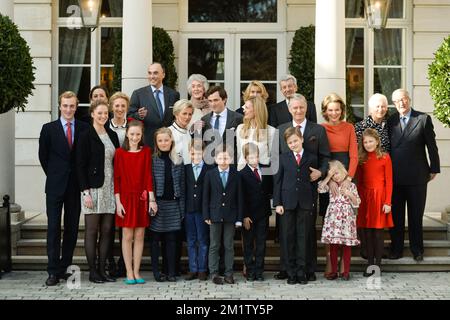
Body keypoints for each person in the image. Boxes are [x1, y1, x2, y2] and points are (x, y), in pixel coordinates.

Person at [275, 93, 330, 281]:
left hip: (308, 190)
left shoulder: (318, 130)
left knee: (306, 233)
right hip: (287, 192)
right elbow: (277, 165)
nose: (298, 111)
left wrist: (320, 173)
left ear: (306, 108)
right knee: (287, 233)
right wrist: (277, 199)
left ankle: (307, 269)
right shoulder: (281, 130)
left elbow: (325, 157)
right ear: (289, 109)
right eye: (295, 108)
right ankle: (287, 268)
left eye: (301, 107)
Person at [38, 91, 89, 286]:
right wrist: (55, 175)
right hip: (54, 186)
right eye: (65, 106)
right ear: (60, 106)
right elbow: (44, 157)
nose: (68, 109)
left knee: (72, 229)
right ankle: (52, 271)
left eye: (72, 106)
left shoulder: (84, 128)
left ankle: (64, 268)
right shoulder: (48, 129)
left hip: (75, 186)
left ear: (76, 107)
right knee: (53, 229)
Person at [387, 89, 440, 261]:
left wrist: (434, 168)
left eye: (403, 99)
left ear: (409, 99)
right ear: (393, 104)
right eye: (397, 101)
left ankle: (417, 250)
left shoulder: (423, 119)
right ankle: (397, 249)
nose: (401, 103)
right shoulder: (391, 121)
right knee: (396, 216)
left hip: (417, 176)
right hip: (395, 177)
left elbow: (431, 146)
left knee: (416, 215)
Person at [76, 99, 120, 283]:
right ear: (92, 114)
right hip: (92, 189)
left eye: (105, 113)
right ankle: (93, 271)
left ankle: (103, 270)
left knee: (108, 230)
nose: (103, 116)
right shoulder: (86, 135)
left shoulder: (112, 134)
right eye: (99, 113)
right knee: (92, 231)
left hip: (110, 188)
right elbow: (80, 165)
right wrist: (85, 192)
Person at [273, 127, 318, 285]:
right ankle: (290, 272)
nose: (293, 144)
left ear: (302, 140)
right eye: (290, 142)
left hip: (305, 202)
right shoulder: (283, 158)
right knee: (288, 237)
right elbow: (277, 182)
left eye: (295, 141)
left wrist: (313, 201)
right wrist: (277, 203)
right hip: (287, 202)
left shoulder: (311, 158)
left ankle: (301, 272)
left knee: (303, 238)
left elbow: (313, 183)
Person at [114, 120, 157, 284]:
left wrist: (151, 200)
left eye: (138, 134)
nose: (134, 137)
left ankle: (137, 271)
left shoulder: (146, 151)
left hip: (142, 198)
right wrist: (118, 202)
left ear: (142, 135)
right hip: (125, 198)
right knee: (127, 235)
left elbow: (148, 176)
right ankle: (128, 271)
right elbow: (116, 179)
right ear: (126, 134)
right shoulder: (119, 153)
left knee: (139, 235)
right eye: (132, 134)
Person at [320, 93, 358, 274]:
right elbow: (321, 156)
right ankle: (330, 261)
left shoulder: (349, 127)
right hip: (329, 175)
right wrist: (329, 181)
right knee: (329, 222)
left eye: (337, 110)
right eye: (330, 110)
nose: (334, 113)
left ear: (342, 110)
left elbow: (354, 156)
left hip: (346, 175)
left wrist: (348, 179)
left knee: (346, 220)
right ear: (325, 112)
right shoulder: (321, 128)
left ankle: (344, 261)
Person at [203, 146, 243, 285]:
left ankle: (228, 273)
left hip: (231, 216)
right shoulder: (210, 174)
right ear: (215, 159)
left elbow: (240, 198)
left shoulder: (236, 175)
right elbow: (206, 197)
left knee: (228, 245)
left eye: (226, 158)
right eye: (220, 158)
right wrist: (206, 215)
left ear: (231, 159)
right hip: (214, 215)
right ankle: (214, 272)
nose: (223, 160)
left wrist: (239, 217)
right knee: (214, 244)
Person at [356, 129, 393, 276]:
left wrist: (388, 202)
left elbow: (389, 181)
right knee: (367, 233)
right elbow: (359, 181)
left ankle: (377, 266)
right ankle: (369, 264)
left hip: (380, 197)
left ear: (377, 141)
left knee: (378, 233)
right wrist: (357, 200)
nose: (368, 144)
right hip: (365, 198)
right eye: (365, 142)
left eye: (370, 141)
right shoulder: (361, 159)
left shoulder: (385, 157)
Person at [150, 127, 185, 282]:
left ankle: (171, 272)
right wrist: (151, 202)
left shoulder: (178, 160)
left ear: (171, 141)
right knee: (155, 240)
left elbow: (182, 185)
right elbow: (149, 182)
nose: (164, 143)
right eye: (160, 140)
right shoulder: (152, 159)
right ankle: (158, 272)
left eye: (166, 140)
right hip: (157, 204)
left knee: (172, 240)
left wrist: (182, 208)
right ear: (156, 143)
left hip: (173, 204)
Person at [319, 160, 360, 281]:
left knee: (346, 245)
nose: (335, 176)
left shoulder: (351, 186)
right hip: (333, 218)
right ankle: (333, 271)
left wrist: (349, 194)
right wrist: (328, 177)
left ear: (343, 170)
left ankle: (345, 271)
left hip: (346, 218)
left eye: (337, 173)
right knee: (333, 245)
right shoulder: (331, 185)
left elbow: (357, 203)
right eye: (333, 175)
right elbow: (320, 188)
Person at [239, 143, 272, 281]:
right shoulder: (242, 174)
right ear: (246, 158)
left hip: (263, 214)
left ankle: (259, 271)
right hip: (249, 216)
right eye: (251, 157)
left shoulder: (265, 170)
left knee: (261, 243)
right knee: (248, 244)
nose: (254, 159)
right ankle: (250, 270)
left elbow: (269, 189)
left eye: (256, 156)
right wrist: (244, 215)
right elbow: (241, 197)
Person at [128, 62, 180, 148]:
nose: (152, 76)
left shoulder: (173, 94)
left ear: (163, 75)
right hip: (147, 143)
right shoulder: (138, 94)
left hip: (168, 144)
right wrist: (138, 115)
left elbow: (177, 117)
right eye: (149, 73)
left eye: (155, 73)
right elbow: (129, 115)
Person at [184, 141, 212, 281]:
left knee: (203, 239)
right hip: (189, 210)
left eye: (199, 153)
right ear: (189, 153)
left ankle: (202, 269)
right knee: (191, 239)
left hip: (202, 210)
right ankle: (193, 268)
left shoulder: (209, 169)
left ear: (204, 154)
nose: (196, 156)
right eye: (193, 153)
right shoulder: (186, 168)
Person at [236, 96, 276, 171]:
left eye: (247, 108)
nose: (244, 110)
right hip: (242, 173)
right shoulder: (240, 128)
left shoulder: (271, 131)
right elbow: (239, 154)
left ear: (256, 110)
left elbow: (272, 159)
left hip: (261, 174)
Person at [169, 99, 194, 164]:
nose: (187, 117)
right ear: (176, 114)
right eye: (184, 113)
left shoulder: (188, 133)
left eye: (190, 114)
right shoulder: (169, 132)